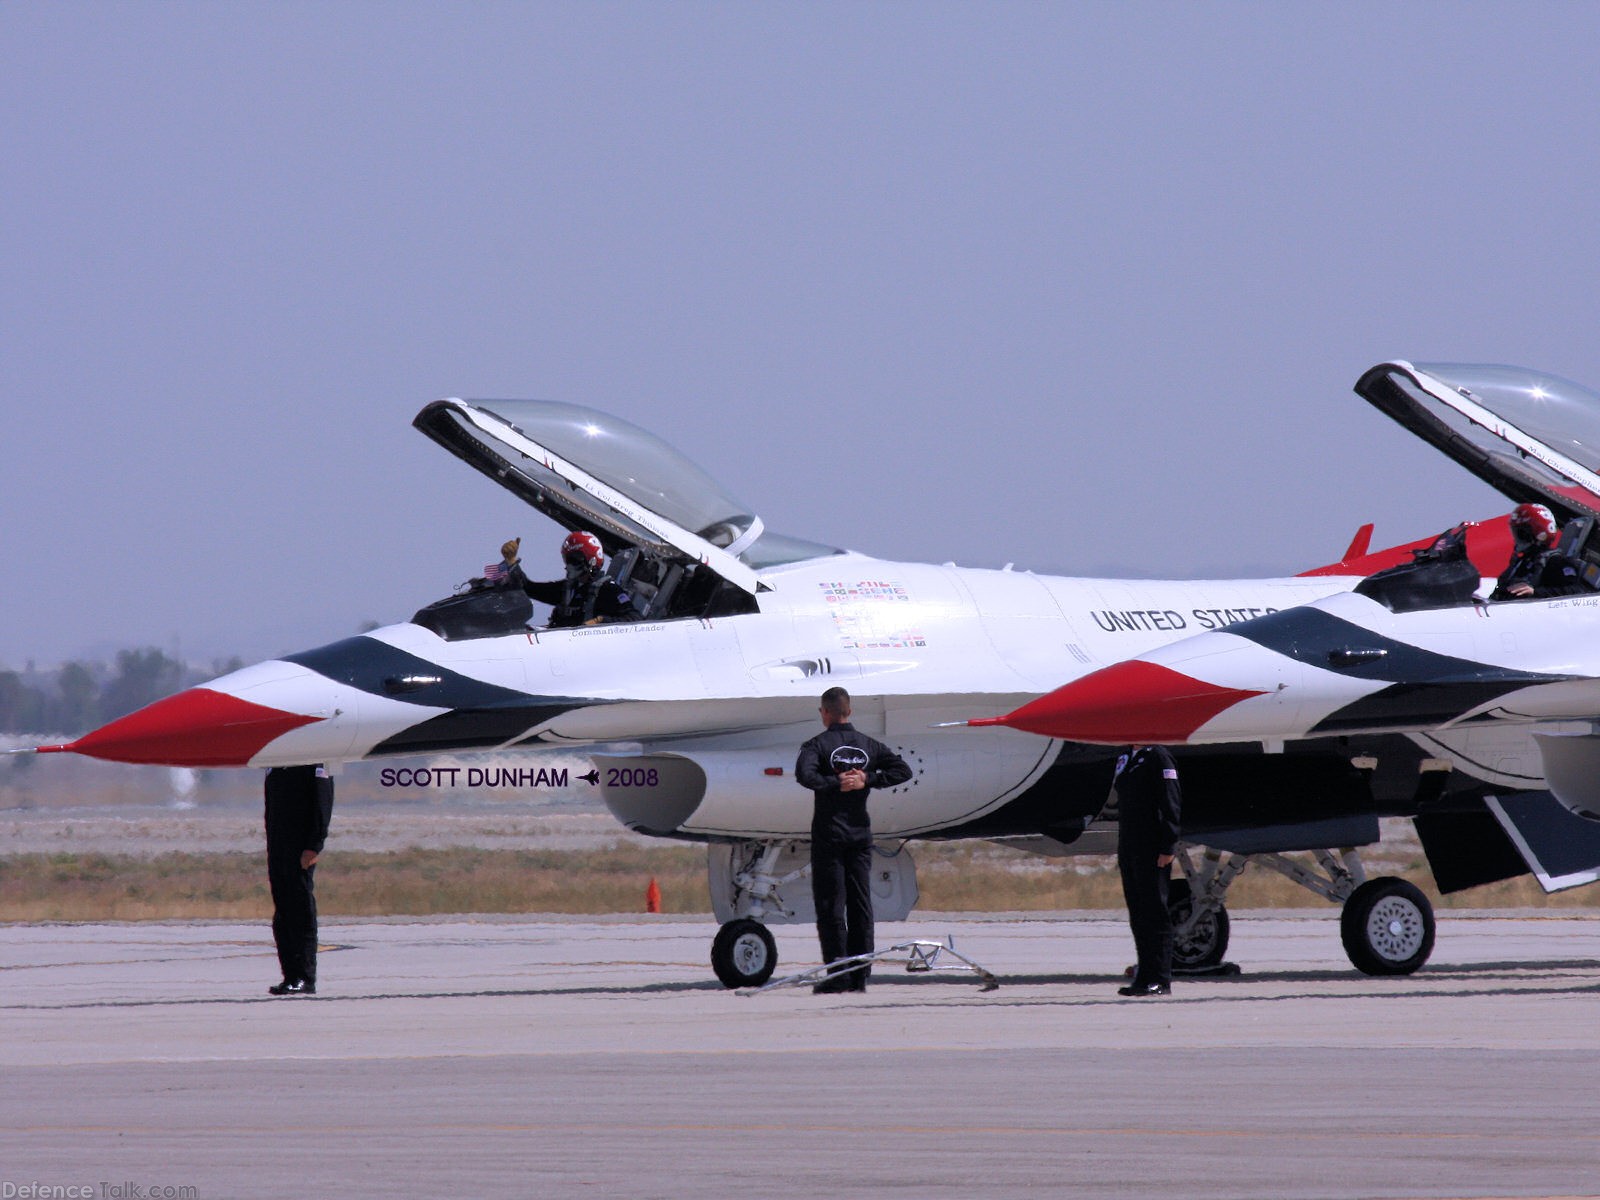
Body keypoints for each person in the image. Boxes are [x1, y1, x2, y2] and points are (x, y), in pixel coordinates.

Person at [794, 687, 912, 993]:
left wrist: (835, 783)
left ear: (826, 713)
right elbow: (903, 770)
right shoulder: (868, 745)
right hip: (860, 835)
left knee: (831, 905)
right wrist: (867, 778)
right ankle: (860, 976)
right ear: (850, 712)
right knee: (861, 905)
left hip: (830, 836)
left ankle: (838, 975)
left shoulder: (816, 745)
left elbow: (804, 776)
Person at [1113, 745, 1182, 998]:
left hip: (1152, 845)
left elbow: (1170, 800)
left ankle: (1160, 979)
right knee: (1138, 913)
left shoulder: (1158, 757)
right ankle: (1144, 977)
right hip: (1129, 844)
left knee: (1155, 911)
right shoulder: (1126, 756)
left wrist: (1168, 844)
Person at [264, 763, 334, 996]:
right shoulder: (276, 766)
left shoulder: (314, 760)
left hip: (300, 849)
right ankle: (290, 975)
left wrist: (314, 846)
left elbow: (323, 803)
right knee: (283, 911)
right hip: (278, 847)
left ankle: (305, 977)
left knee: (300, 909)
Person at [515, 531, 638, 627]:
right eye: (566, 560)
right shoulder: (570, 588)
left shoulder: (608, 589)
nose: (569, 566)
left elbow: (634, 619)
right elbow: (532, 589)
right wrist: (513, 567)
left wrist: (601, 622)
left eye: (574, 560)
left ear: (591, 560)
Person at [1491, 503, 1588, 600]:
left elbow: (1578, 592)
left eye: (1520, 533)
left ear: (1538, 535)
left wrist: (1535, 592)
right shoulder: (1522, 562)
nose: (1516, 540)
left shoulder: (1554, 562)